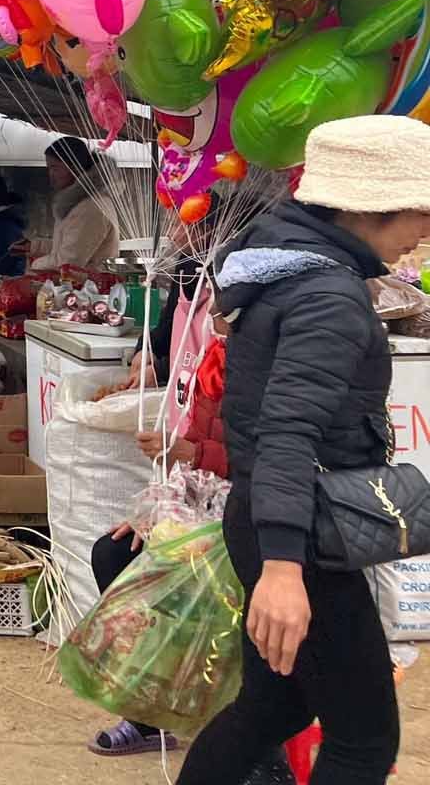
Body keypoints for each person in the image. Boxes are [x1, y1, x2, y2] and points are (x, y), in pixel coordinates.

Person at [177, 116, 430, 785]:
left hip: (275, 518)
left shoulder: (290, 271)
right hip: (303, 535)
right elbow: (288, 430)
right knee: (365, 739)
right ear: (368, 204)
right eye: (421, 210)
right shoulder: (328, 296)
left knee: (274, 705)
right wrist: (285, 570)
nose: (425, 231)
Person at [86, 331, 230, 757]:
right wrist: (159, 513)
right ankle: (149, 713)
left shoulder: (276, 357)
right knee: (114, 554)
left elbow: (272, 457)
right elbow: (201, 468)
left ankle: (226, 715)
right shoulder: (214, 359)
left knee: (186, 585)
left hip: (256, 516)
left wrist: (191, 451)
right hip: (208, 505)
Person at [23, 137, 117, 272]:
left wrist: (34, 266)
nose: (51, 175)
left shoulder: (90, 207)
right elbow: (71, 245)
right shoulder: (80, 203)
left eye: (55, 168)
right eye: (49, 168)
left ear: (75, 167)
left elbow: (69, 262)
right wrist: (34, 246)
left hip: (89, 289)